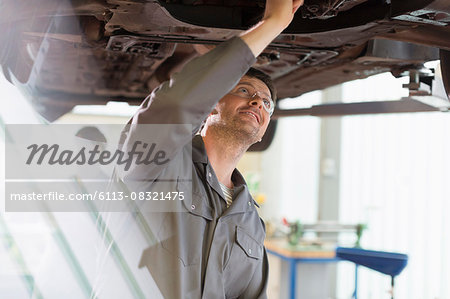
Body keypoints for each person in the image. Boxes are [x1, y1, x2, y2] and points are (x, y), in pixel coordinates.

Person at [116, 0, 304, 297]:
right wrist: (272, 26)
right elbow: (175, 104)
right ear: (210, 104)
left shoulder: (251, 222)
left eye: (267, 102)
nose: (258, 102)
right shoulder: (155, 164)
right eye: (244, 91)